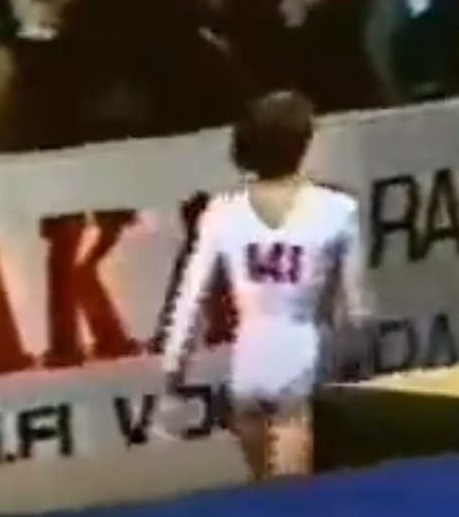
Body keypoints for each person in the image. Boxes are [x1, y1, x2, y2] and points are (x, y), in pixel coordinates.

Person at [160, 91, 373, 479]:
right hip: (300, 357)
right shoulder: (338, 209)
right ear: (304, 145)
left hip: (248, 365)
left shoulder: (221, 212)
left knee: (263, 494)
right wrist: (357, 360)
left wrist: (174, 366)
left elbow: (190, 298)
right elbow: (357, 308)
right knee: (292, 500)